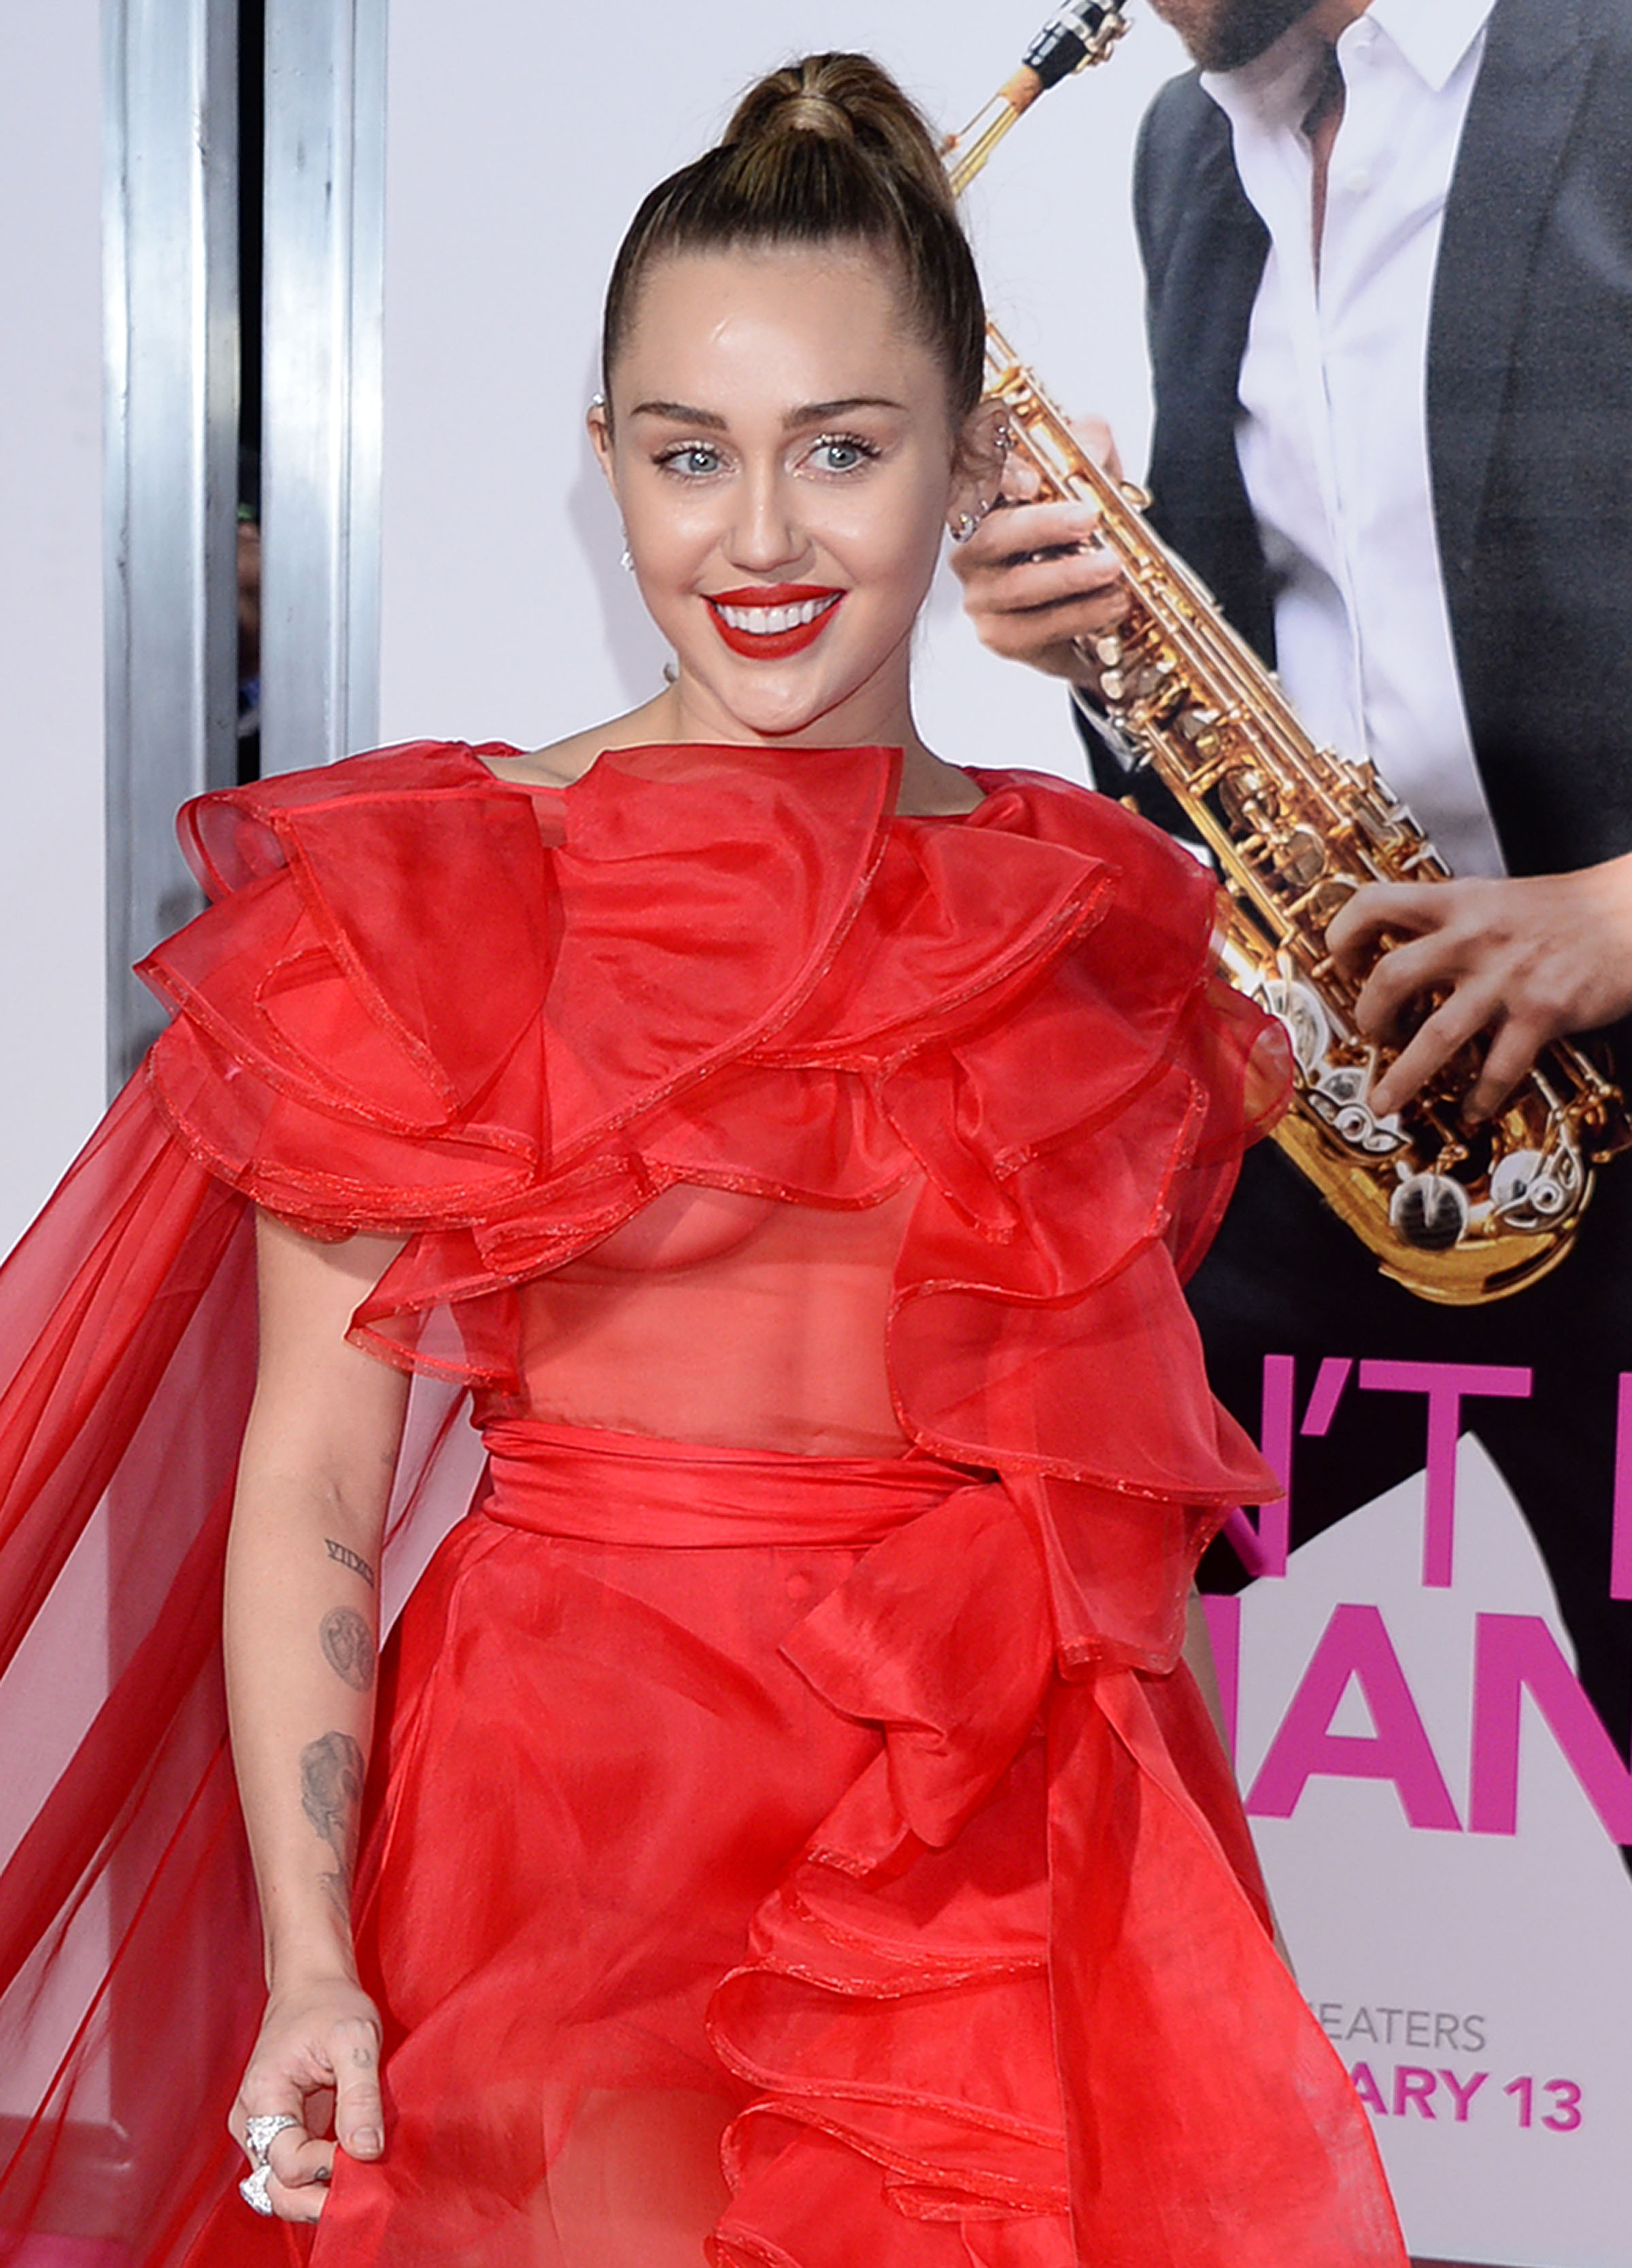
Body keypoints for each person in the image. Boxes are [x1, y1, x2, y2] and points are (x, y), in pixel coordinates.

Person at [0, 54, 1408, 2268]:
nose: (759, 540)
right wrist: (312, 1958)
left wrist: (1185, 1966)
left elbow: (1107, 1562)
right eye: (690, 455)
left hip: (979, 1854)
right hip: (570, 1837)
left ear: (970, 464)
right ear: (607, 465)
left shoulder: (1099, 937)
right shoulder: (441, 893)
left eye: (841, 450)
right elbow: (314, 1488)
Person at [952, 0, 1632, 1779]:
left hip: (1613, 1066)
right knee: (983, 1611)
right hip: (1385, 1102)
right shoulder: (1192, 151)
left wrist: (1620, 913)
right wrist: (1099, 647)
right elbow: (1274, 674)